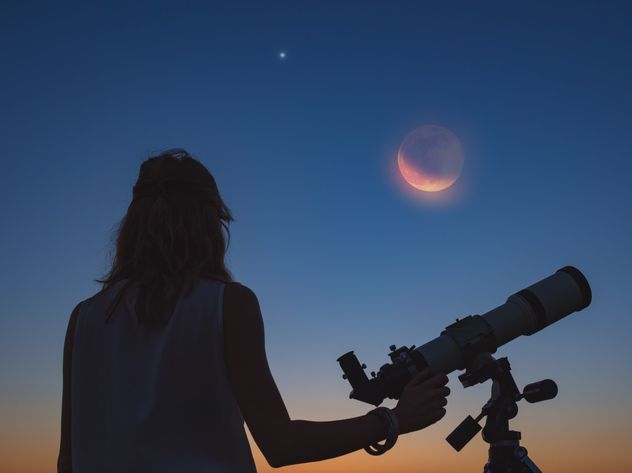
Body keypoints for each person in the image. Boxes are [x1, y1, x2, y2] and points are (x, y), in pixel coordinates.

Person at [57, 149, 450, 472]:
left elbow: (68, 460)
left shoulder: (85, 317)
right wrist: (396, 419)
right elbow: (281, 446)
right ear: (210, 223)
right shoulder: (227, 304)